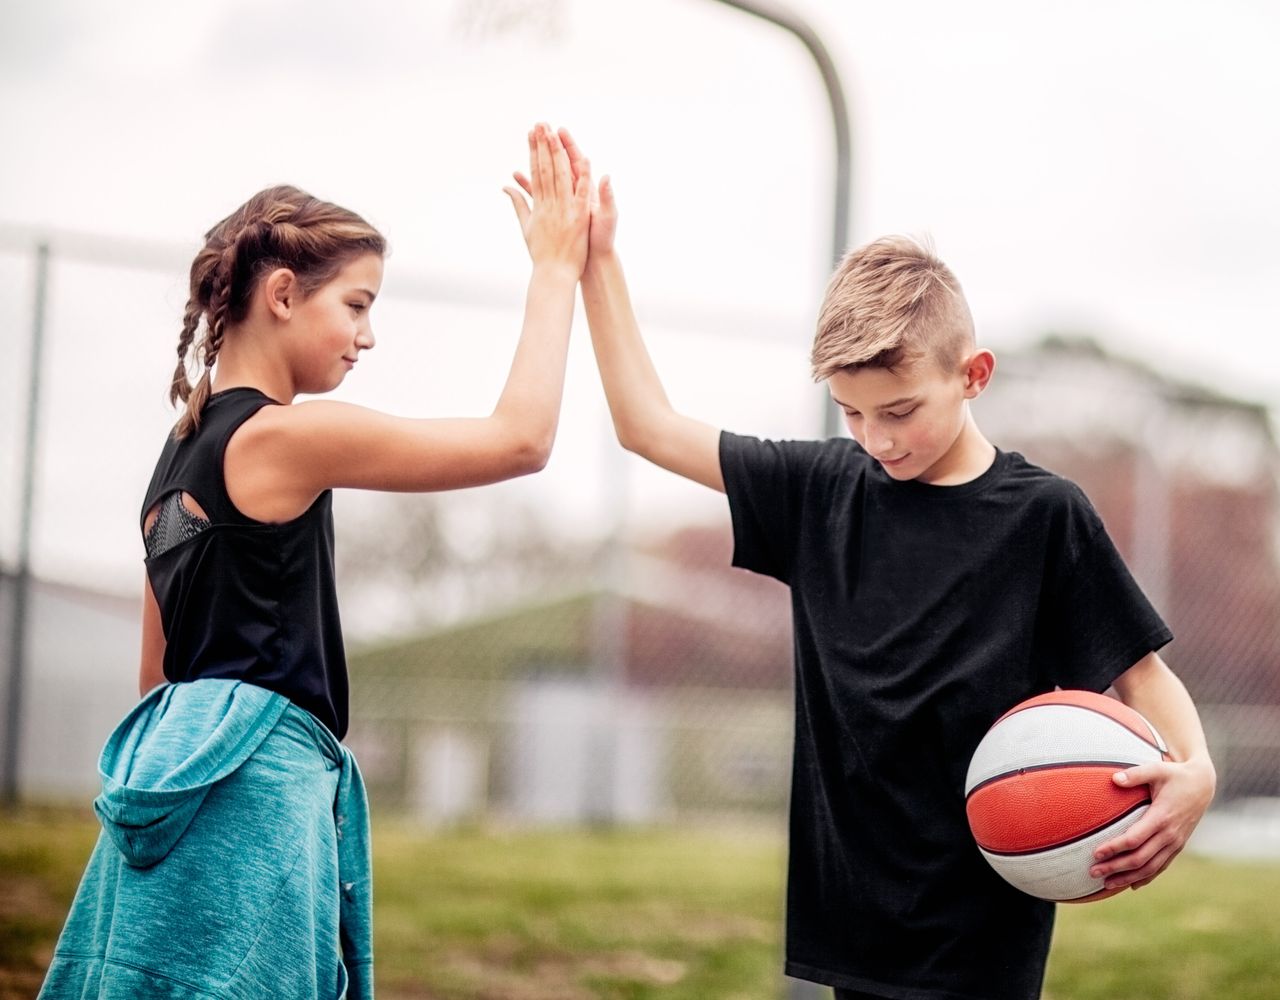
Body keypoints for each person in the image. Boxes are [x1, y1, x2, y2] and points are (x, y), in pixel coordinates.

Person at [566, 137, 1218, 1000]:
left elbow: (1139, 674)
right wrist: (596, 261)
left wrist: (1196, 771)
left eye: (900, 410)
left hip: (985, 924)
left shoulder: (1042, 515)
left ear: (972, 375)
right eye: (852, 413)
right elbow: (647, 424)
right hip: (852, 922)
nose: (876, 439)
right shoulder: (820, 490)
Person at [38, 123, 593, 1000]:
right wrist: (557, 270)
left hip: (176, 804)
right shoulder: (283, 435)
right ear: (285, 294)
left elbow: (159, 682)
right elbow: (521, 441)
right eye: (359, 305)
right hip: (256, 802)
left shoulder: (173, 460)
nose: (367, 337)